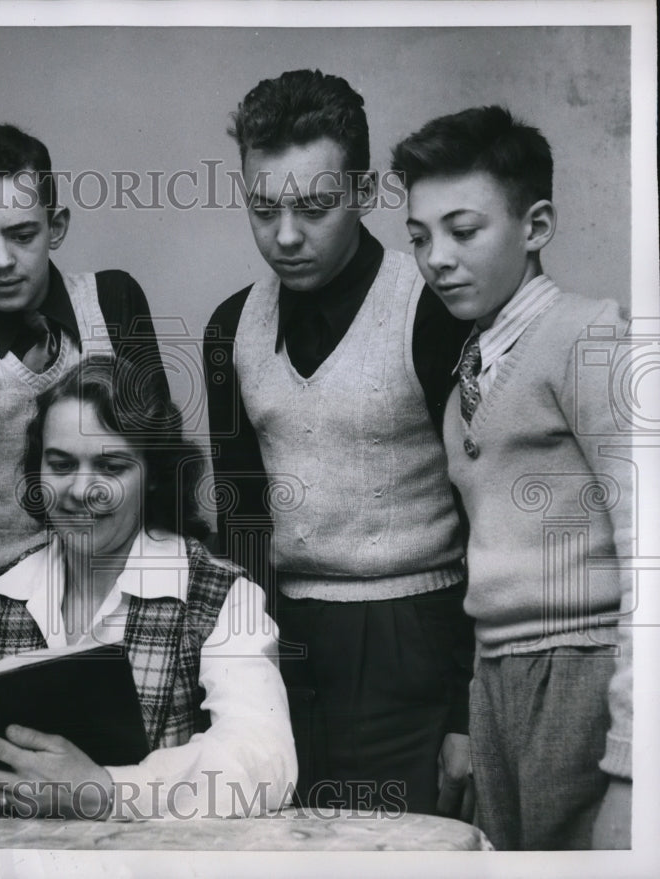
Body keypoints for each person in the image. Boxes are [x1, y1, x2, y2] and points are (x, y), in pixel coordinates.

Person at [0, 356, 297, 818]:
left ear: (154, 475)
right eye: (60, 464)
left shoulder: (220, 596)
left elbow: (265, 757)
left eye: (111, 467)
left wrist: (108, 788)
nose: (81, 490)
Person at [203, 69, 475, 816]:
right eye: (263, 208)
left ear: (362, 191)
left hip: (413, 638)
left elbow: (488, 517)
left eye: (316, 206)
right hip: (281, 642)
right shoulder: (233, 326)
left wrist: (466, 708)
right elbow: (242, 519)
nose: (285, 236)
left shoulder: (434, 309)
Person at [392, 105, 633, 849]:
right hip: (499, 673)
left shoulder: (590, 335)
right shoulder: (472, 359)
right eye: (420, 237)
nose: (437, 257)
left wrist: (632, 764)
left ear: (535, 227)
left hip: (583, 666)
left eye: (463, 231)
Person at [0, 124, 168, 658]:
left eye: (21, 235)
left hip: (112, 596)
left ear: (56, 225)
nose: (0, 260)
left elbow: (154, 454)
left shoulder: (114, 301)